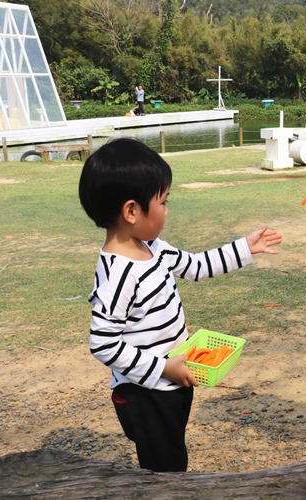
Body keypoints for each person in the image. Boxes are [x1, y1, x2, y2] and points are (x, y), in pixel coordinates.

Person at [78, 138, 282, 472]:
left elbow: (197, 266)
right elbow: (102, 343)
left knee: (172, 450)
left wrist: (245, 248)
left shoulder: (153, 247)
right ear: (132, 211)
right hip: (145, 392)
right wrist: (162, 369)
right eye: (163, 201)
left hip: (173, 377)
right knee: (165, 468)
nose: (167, 209)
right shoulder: (118, 275)